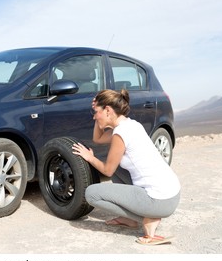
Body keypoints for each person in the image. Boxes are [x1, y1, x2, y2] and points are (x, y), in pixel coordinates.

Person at [72, 89, 181, 245]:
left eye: (96, 112)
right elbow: (98, 138)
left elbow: (107, 170)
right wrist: (99, 111)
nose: (94, 116)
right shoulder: (131, 125)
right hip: (172, 193)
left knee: (91, 194)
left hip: (159, 200)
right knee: (117, 165)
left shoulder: (120, 134)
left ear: (108, 110)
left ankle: (146, 219)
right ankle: (127, 219)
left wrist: (90, 158)